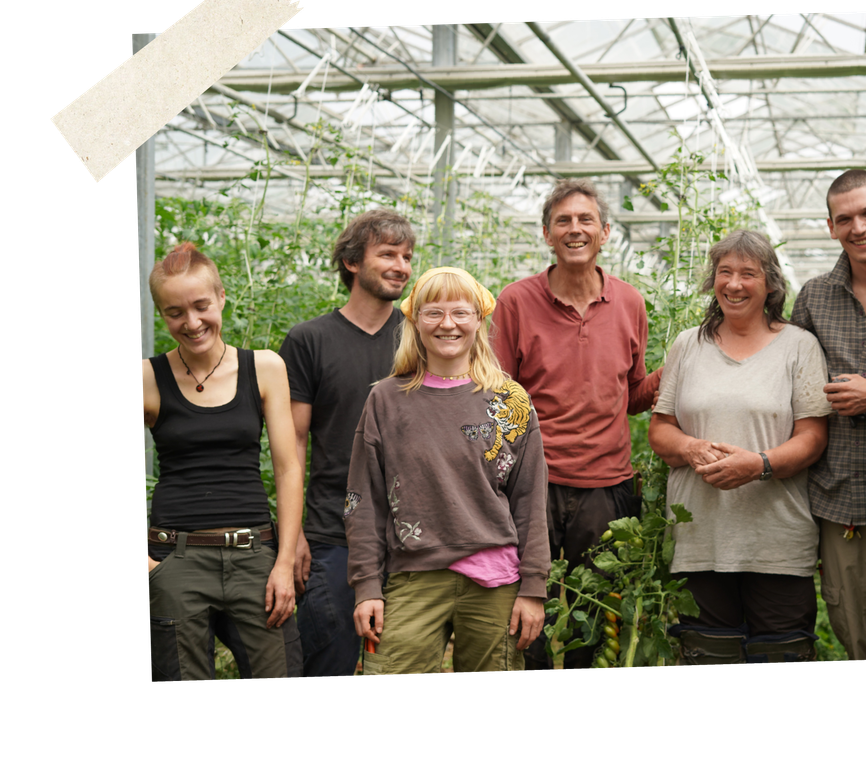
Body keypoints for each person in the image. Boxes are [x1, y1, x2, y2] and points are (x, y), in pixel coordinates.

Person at [491, 178, 661, 671]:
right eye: (563, 221)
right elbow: (500, 399)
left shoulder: (629, 302)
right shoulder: (517, 302)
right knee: (527, 613)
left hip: (606, 487)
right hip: (534, 484)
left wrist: (672, 373)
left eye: (586, 220)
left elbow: (629, 397)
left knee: (596, 615)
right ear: (547, 234)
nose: (575, 229)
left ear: (605, 232)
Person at [345, 267, 550, 674]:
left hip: (495, 581)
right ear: (415, 321)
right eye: (434, 313)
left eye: (460, 312)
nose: (448, 324)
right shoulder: (387, 400)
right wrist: (367, 586)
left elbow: (530, 499)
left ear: (479, 319)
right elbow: (364, 501)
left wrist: (534, 588)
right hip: (413, 576)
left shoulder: (509, 399)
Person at [649, 230, 832, 664]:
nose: (734, 284)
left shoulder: (798, 346)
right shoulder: (688, 345)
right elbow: (661, 430)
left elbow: (813, 437)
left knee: (781, 653)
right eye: (724, 272)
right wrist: (691, 448)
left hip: (776, 542)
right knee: (706, 653)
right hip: (700, 539)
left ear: (770, 283)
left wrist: (760, 464)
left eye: (748, 273)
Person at [144, 242, 303, 681]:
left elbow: (289, 468)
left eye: (201, 306)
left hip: (255, 557)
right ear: (162, 314)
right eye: (175, 312)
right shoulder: (148, 377)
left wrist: (284, 564)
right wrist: (150, 568)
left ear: (221, 298)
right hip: (174, 558)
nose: (192, 323)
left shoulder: (265, 367)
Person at [278, 209, 415, 677]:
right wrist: (291, 535)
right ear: (353, 262)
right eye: (388, 254)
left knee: (396, 666)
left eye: (407, 256)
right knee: (326, 661)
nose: (401, 265)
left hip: (410, 538)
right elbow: (292, 443)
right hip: (331, 534)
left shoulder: (419, 340)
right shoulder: (308, 340)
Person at [790, 170, 866, 661]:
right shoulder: (815, 298)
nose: (858, 227)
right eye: (845, 219)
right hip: (842, 501)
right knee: (859, 635)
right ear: (830, 226)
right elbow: (792, 390)